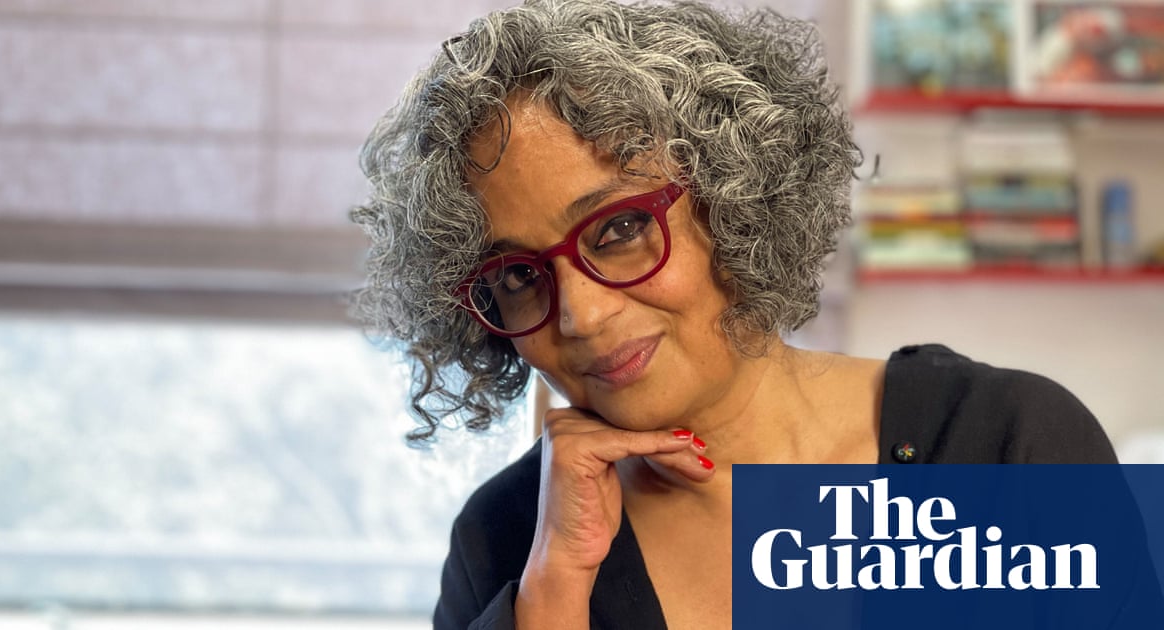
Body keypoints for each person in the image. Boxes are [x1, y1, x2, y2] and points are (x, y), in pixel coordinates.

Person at [353, 1, 1121, 628]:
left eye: (618, 229)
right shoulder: (508, 541)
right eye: (519, 275)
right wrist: (553, 595)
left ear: (737, 200)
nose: (580, 315)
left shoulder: (1006, 444)